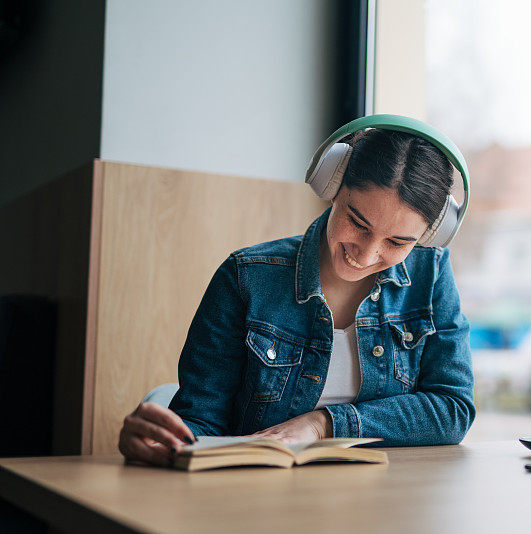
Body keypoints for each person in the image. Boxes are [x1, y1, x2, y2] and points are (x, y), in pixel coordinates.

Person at [118, 115, 475, 467]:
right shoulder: (245, 277)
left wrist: (324, 424)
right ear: (332, 184)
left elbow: (453, 409)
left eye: (397, 242)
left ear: (431, 234)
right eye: (357, 222)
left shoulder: (431, 273)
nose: (366, 255)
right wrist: (161, 442)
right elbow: (202, 424)